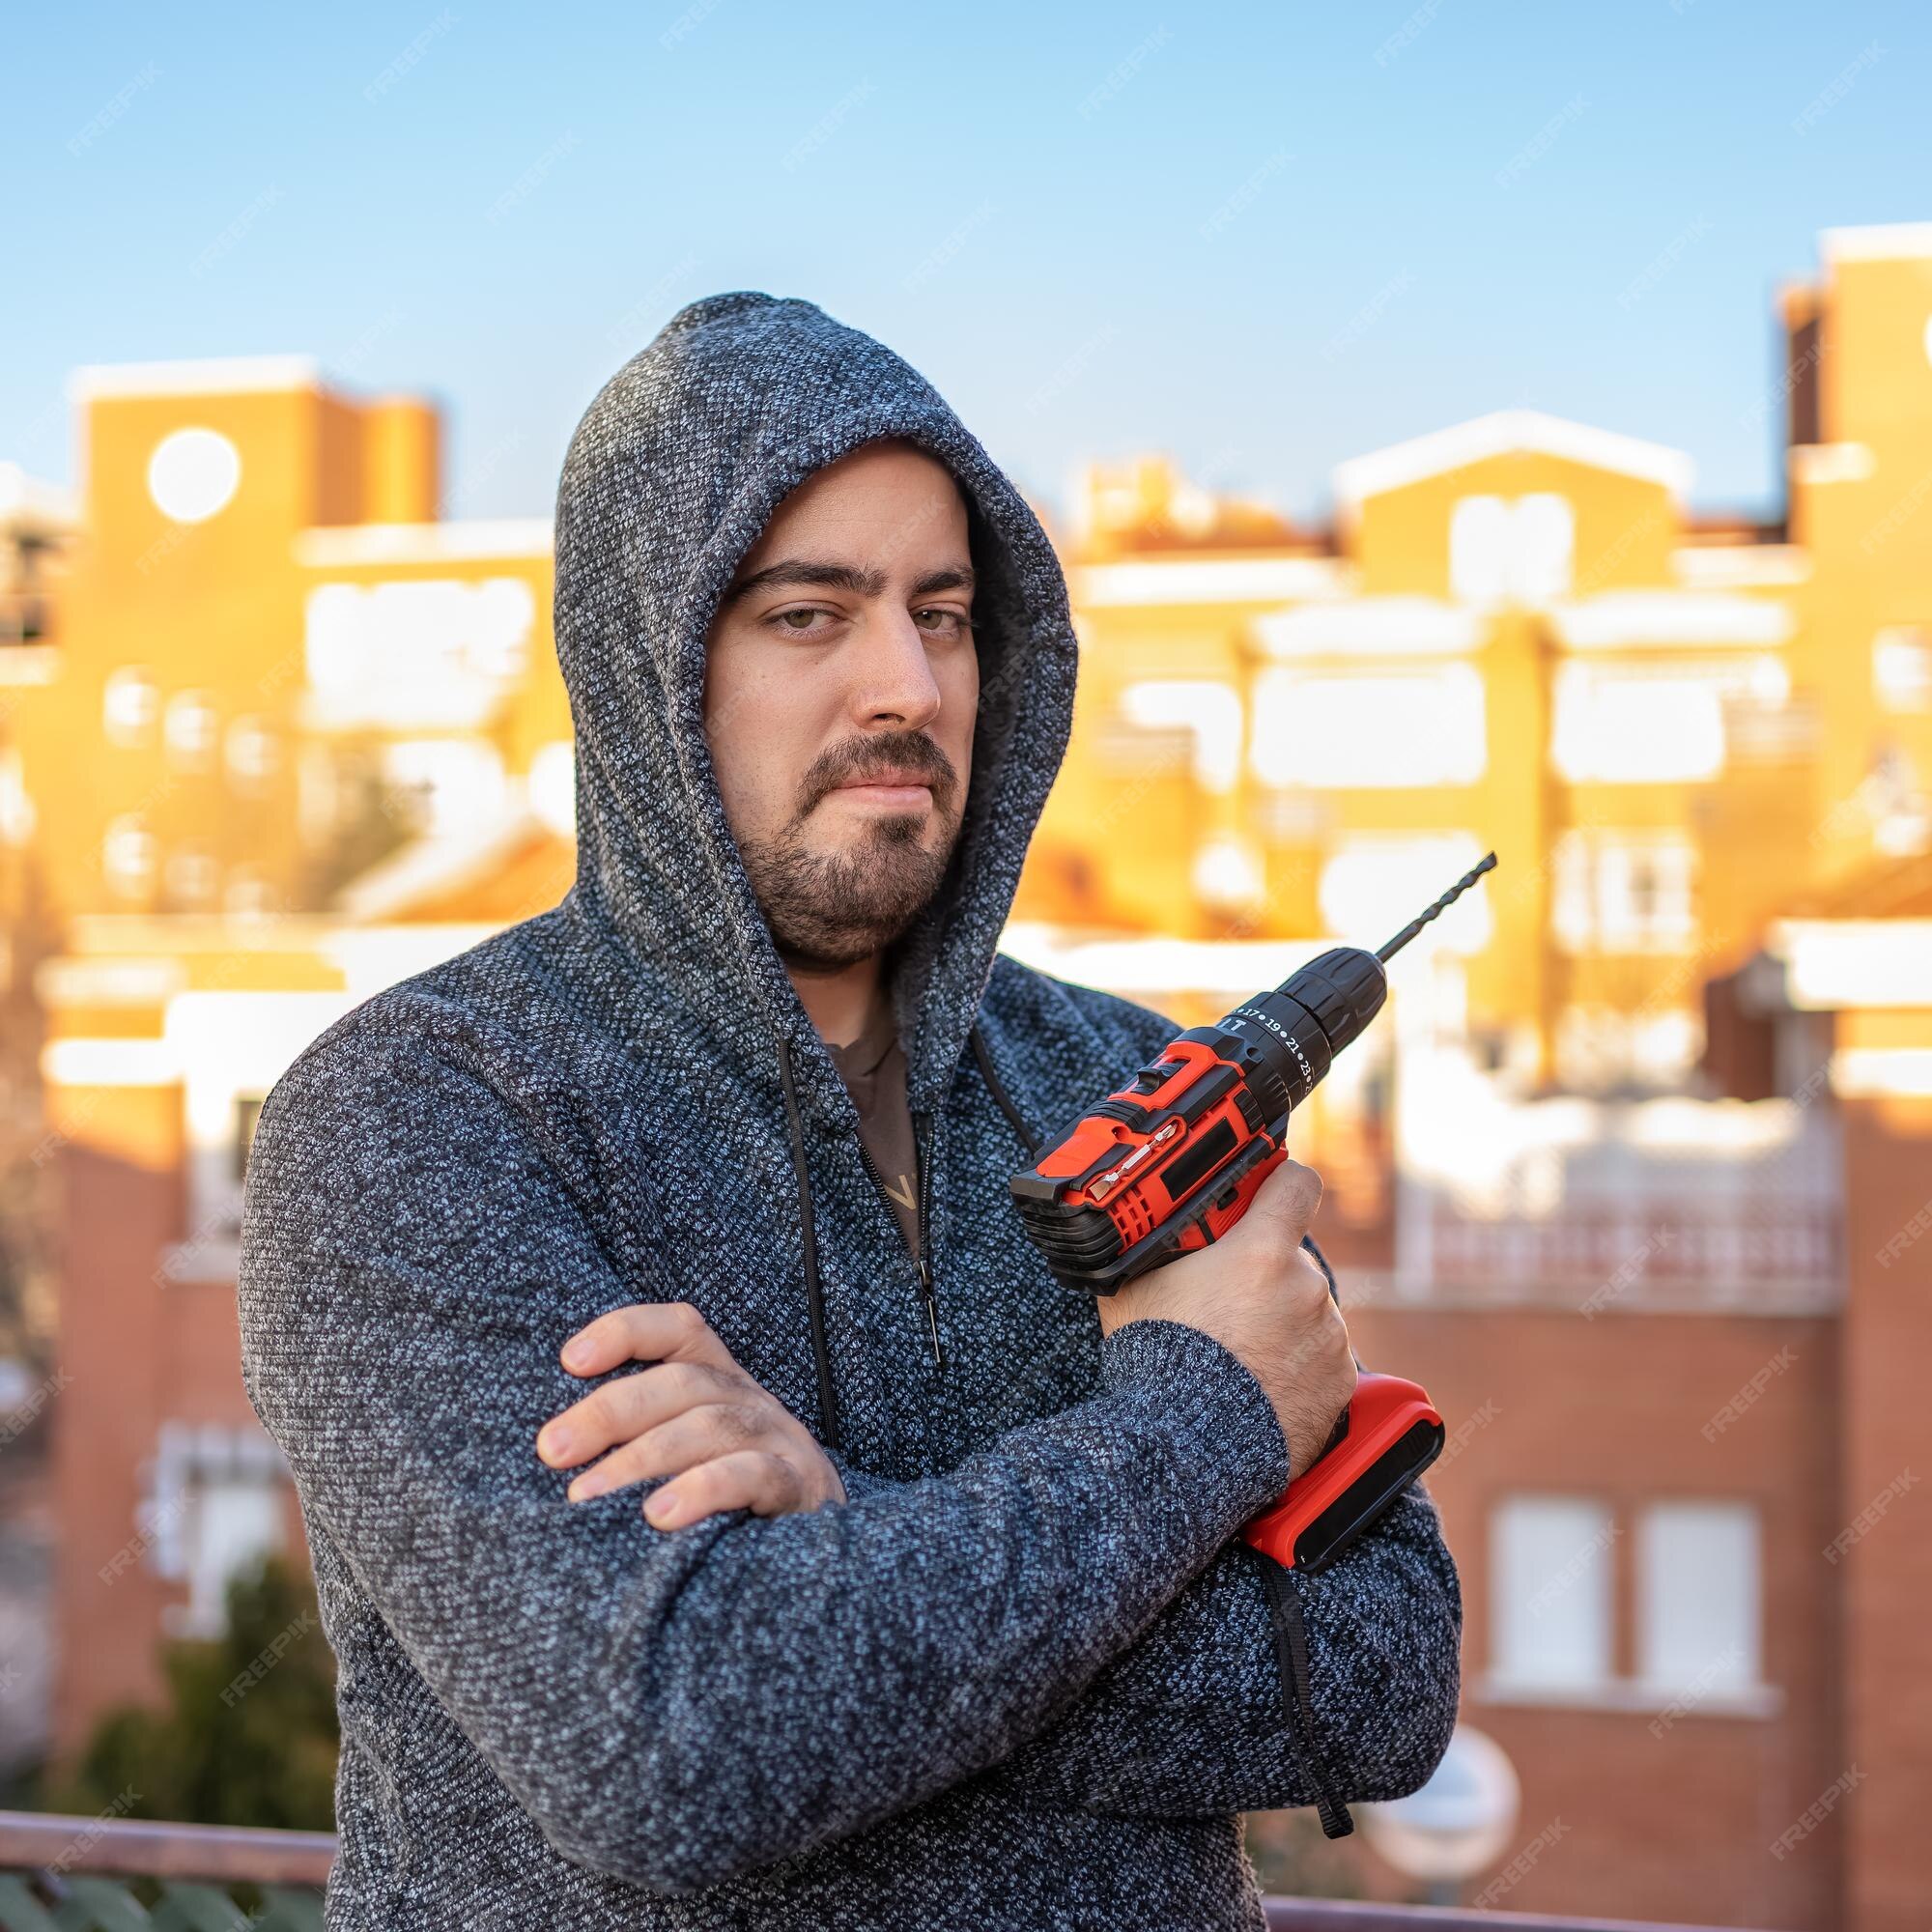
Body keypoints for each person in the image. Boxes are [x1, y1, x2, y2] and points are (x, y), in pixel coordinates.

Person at [237, 291, 1461, 1932]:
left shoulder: (1138, 1093)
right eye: (812, 615)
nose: (907, 682)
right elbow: (675, 1749)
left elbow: (1375, 1680)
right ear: (646, 667)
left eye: (943, 614)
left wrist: (843, 1544)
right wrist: (1198, 1411)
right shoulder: (419, 1120)